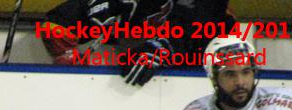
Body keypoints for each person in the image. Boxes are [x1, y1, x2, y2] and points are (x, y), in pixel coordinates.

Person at [40, 0, 235, 87]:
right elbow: (56, 24)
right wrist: (69, 64)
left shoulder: (215, 13)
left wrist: (161, 48)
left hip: (191, 88)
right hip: (125, 92)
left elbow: (199, 25)